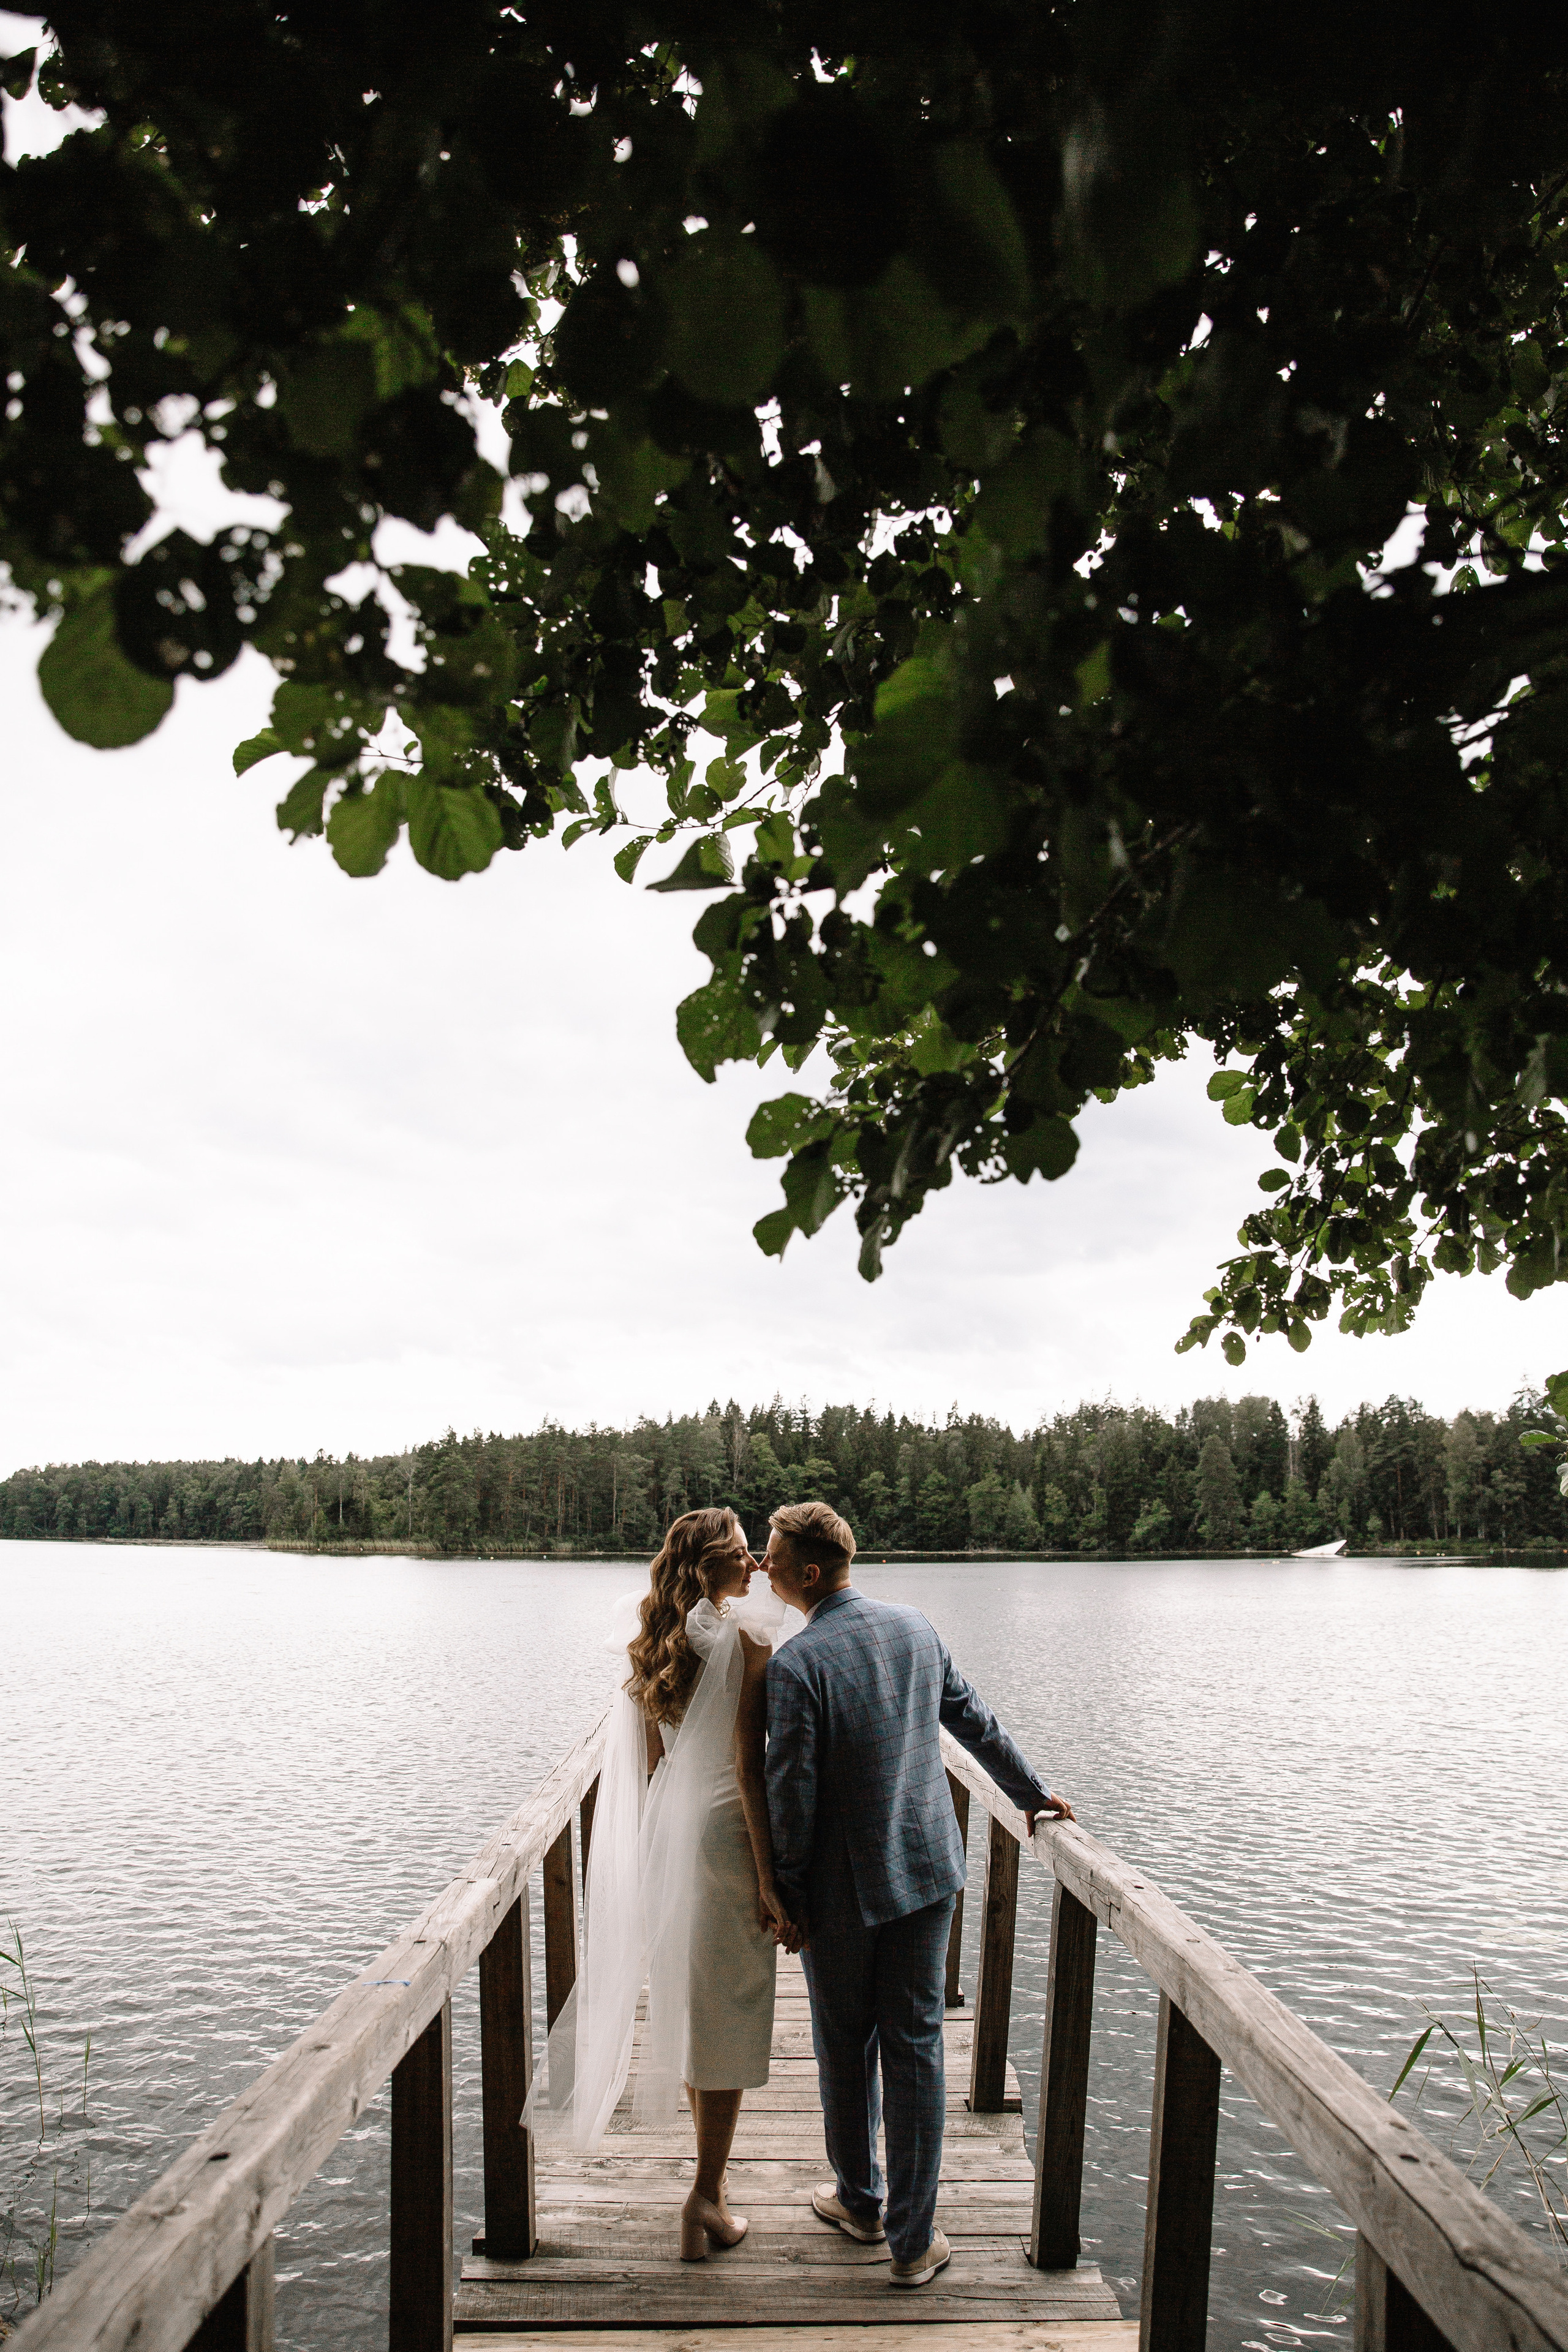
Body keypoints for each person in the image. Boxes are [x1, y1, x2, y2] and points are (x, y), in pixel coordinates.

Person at [763, 1501, 1076, 2289]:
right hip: (928, 1872)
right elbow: (973, 1718)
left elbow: (790, 1798)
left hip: (840, 1895)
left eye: (771, 1557)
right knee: (915, 2044)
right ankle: (911, 2241)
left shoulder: (798, 1666)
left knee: (845, 2045)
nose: (762, 1568)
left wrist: (787, 1896)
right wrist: (1031, 1792)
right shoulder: (914, 1627)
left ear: (807, 1572)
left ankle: (861, 2201)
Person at [524, 1506, 796, 2262]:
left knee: (687, 2001)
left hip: (670, 1830)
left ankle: (711, 2191)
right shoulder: (748, 1638)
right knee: (730, 2011)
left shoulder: (654, 1642)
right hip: (727, 1833)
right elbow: (748, 1767)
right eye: (743, 1555)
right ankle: (706, 2197)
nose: (756, 1567)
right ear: (712, 1565)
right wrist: (772, 1884)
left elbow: (650, 1760)